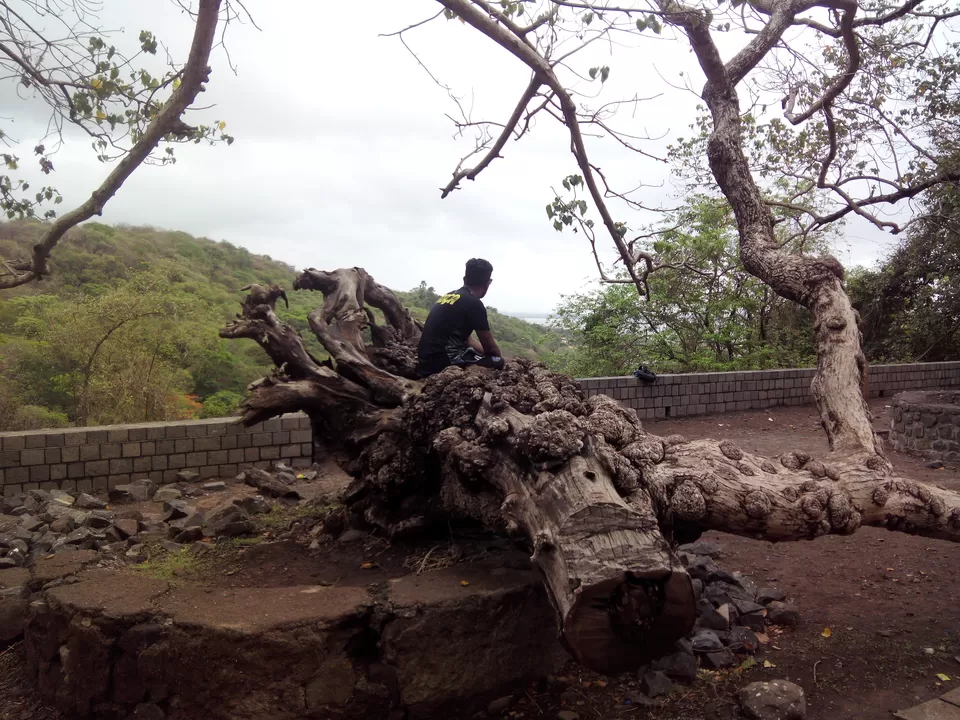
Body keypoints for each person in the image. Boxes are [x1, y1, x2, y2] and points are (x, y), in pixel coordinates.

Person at [417, 258, 506, 377]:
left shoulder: (449, 296)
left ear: (464, 279)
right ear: (487, 284)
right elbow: (491, 349)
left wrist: (484, 354)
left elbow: (468, 340)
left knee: (473, 352)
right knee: (498, 361)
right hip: (442, 365)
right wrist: (498, 359)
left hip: (424, 363)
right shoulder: (474, 303)